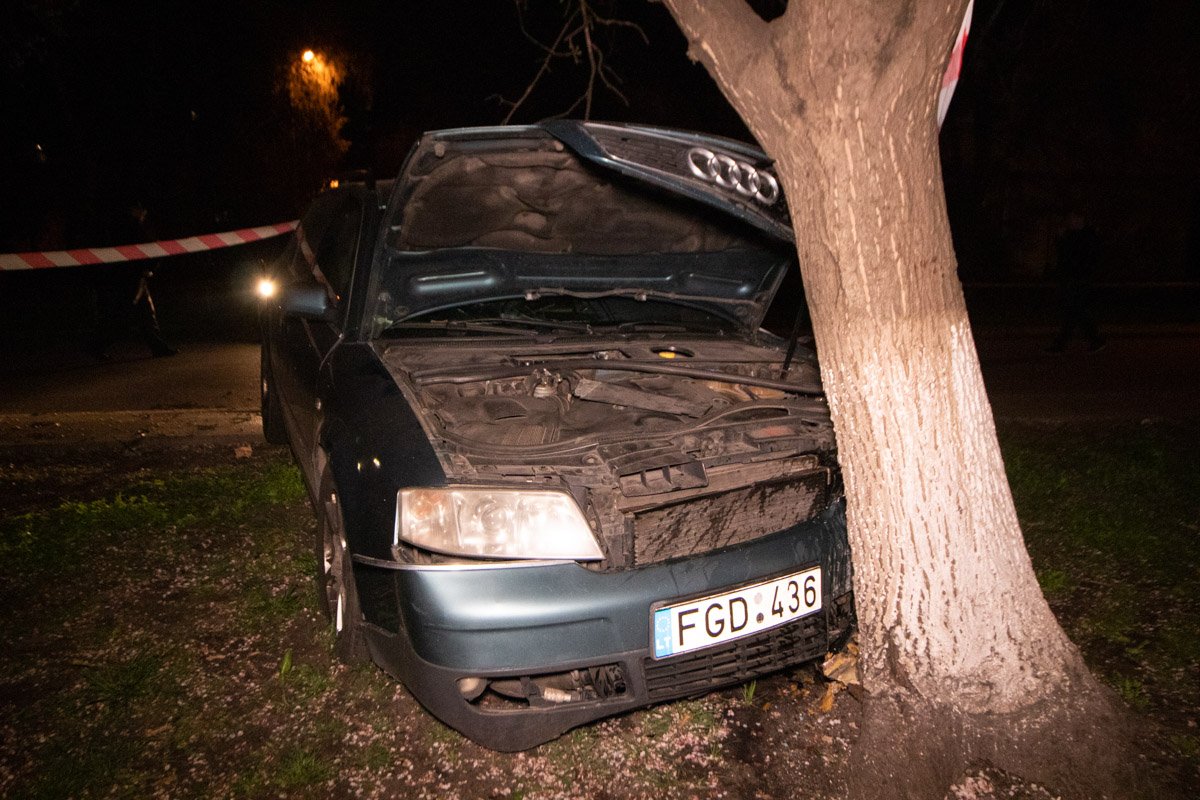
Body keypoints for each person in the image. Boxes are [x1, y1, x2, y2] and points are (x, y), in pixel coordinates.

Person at [89, 203, 177, 360]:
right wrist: (149, 265)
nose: (144, 212)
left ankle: (157, 346)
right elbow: (142, 250)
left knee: (143, 313)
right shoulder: (131, 227)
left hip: (133, 276)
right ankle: (95, 345)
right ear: (134, 210)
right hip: (131, 277)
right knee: (126, 314)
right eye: (141, 209)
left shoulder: (127, 226)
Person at [1046, 211, 1105, 353]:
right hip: (1072, 278)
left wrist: (1061, 240)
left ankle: (1064, 342)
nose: (1069, 221)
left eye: (1072, 218)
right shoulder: (1073, 235)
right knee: (1074, 311)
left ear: (1080, 219)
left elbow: (1075, 256)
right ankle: (1091, 340)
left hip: (1080, 279)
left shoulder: (1086, 236)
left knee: (1075, 310)